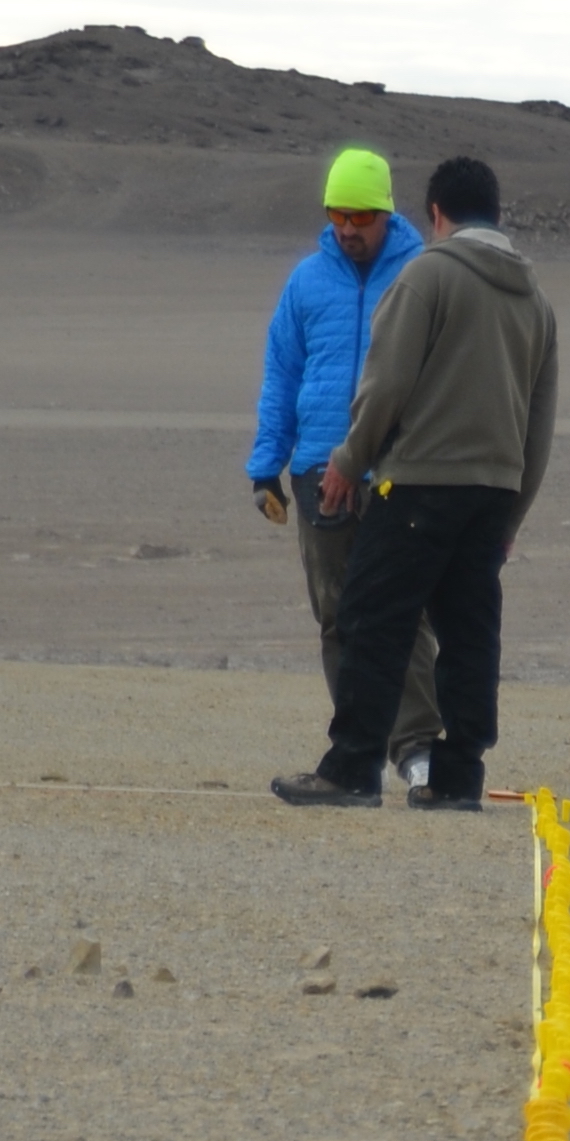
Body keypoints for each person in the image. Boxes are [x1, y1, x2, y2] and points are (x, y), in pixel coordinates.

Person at [270, 156, 559, 815]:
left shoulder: (429, 275)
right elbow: (539, 421)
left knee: (372, 616)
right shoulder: (535, 302)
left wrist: (348, 460)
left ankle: (352, 768)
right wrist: (513, 515)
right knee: (468, 633)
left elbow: (387, 382)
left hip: (419, 483)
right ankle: (458, 777)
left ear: (436, 215)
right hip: (493, 494)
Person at [246, 146, 442, 794]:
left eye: (361, 216)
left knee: (403, 612)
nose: (348, 229)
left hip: (397, 471)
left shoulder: (421, 275)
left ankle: (418, 751)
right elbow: (282, 373)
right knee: (338, 619)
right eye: (338, 216)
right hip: (315, 473)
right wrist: (265, 466)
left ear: (386, 213)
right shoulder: (307, 282)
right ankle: (356, 754)